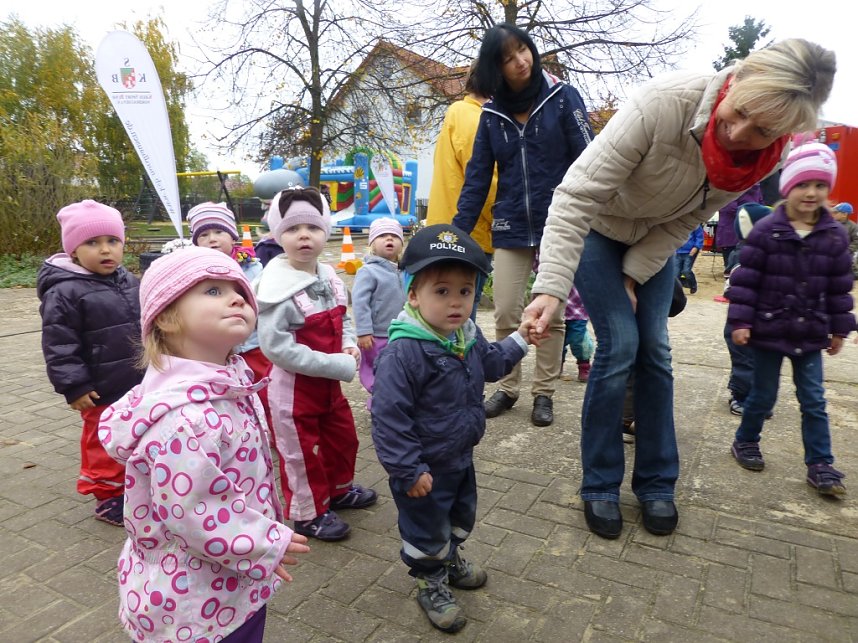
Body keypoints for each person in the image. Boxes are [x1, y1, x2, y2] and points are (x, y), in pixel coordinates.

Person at [524, 39, 837, 539]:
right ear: (738, 79)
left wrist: (634, 275)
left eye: (762, 131)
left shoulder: (765, 159)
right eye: (740, 113)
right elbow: (575, 196)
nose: (738, 134)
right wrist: (551, 289)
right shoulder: (663, 103)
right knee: (621, 344)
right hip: (597, 229)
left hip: (654, 239)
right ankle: (600, 484)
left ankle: (656, 482)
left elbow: (689, 219)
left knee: (657, 352)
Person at [98, 246, 310, 642]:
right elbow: (192, 510)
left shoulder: (225, 382)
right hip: (198, 605)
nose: (236, 298)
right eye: (212, 290)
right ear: (165, 316)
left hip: (225, 577)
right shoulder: (187, 419)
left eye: (239, 291)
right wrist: (264, 542)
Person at [370, 224, 539, 633]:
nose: (456, 302)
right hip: (423, 468)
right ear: (413, 294)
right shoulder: (404, 352)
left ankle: (450, 556)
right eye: (441, 291)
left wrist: (521, 337)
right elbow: (389, 418)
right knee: (425, 527)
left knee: (460, 516)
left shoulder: (465, 335)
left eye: (465, 291)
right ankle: (431, 580)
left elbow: (494, 363)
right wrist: (408, 470)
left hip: (459, 456)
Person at [453, 23, 593, 427]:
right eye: (509, 57)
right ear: (497, 68)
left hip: (560, 223)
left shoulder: (563, 97)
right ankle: (508, 386)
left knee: (554, 311)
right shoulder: (492, 114)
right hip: (511, 223)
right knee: (506, 310)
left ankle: (543, 392)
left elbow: (590, 158)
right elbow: (477, 179)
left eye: (524, 50)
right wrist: (457, 235)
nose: (521, 61)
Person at [727, 142, 855, 496]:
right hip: (768, 329)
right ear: (788, 187)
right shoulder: (767, 230)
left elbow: (839, 288)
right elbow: (746, 279)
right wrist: (741, 322)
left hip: (811, 332)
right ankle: (746, 440)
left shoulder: (834, 236)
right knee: (763, 395)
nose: (811, 193)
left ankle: (820, 463)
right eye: (802, 184)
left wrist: (839, 327)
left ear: (828, 189)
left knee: (813, 399)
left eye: (819, 185)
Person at [256, 187, 377, 541]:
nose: (304, 235)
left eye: (313, 227)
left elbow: (345, 318)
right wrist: (338, 364)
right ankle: (308, 514)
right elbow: (278, 349)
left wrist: (349, 344)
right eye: (292, 229)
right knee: (301, 454)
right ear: (279, 235)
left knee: (342, 439)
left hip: (328, 387)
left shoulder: (328, 275)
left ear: (326, 231)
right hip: (295, 394)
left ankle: (338, 490)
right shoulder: (276, 288)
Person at [37, 200, 142, 527]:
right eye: (92, 243)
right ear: (73, 251)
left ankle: (135, 488)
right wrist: (75, 386)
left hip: (137, 382)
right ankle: (108, 498)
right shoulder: (65, 291)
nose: (105, 250)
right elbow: (59, 343)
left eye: (113, 241)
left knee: (136, 437)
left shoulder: (130, 281)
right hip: (100, 389)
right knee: (103, 444)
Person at [188, 202, 274, 430]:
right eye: (204, 234)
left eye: (219, 232)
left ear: (233, 236)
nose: (212, 239)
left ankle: (271, 430)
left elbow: (265, 301)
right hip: (215, 348)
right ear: (195, 242)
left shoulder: (252, 267)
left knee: (265, 391)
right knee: (225, 393)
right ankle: (236, 430)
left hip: (254, 344)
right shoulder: (194, 272)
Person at [426, 59, 497, 320]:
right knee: (460, 317)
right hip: (468, 232)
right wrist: (500, 221)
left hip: (447, 225)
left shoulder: (458, 113)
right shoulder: (476, 117)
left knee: (443, 315)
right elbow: (485, 179)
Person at [722, 202, 775, 416]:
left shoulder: (768, 253)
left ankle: (760, 399)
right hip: (741, 319)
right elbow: (735, 289)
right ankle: (741, 397)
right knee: (744, 360)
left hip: (764, 317)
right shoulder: (744, 255)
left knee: (762, 360)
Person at [351, 217, 406, 409]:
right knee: (377, 367)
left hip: (401, 331)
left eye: (394, 236)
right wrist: (364, 330)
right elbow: (360, 302)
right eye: (383, 236)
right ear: (372, 245)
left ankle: (394, 397)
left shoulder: (403, 271)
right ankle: (378, 398)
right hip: (376, 334)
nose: (389, 239)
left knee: (396, 368)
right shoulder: (368, 271)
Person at [714, 183, 763, 276]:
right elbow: (761, 205)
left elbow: (727, 207)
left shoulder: (733, 185)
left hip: (729, 233)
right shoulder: (757, 188)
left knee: (731, 269)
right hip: (750, 232)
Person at [561, 285, 593, 382]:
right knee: (556, 341)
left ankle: (584, 365)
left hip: (578, 309)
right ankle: (556, 365)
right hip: (557, 306)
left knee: (579, 339)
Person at [831, 202, 858, 276]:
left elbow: (856, 241)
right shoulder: (830, 224)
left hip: (845, 256)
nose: (833, 214)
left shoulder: (853, 227)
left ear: (844, 215)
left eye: (836, 212)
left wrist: (848, 250)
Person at [675, 225, 704, 294]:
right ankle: (676, 291)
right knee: (676, 273)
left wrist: (696, 247)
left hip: (689, 252)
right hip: (677, 251)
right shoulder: (676, 223)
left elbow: (699, 236)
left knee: (686, 271)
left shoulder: (695, 224)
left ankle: (693, 285)